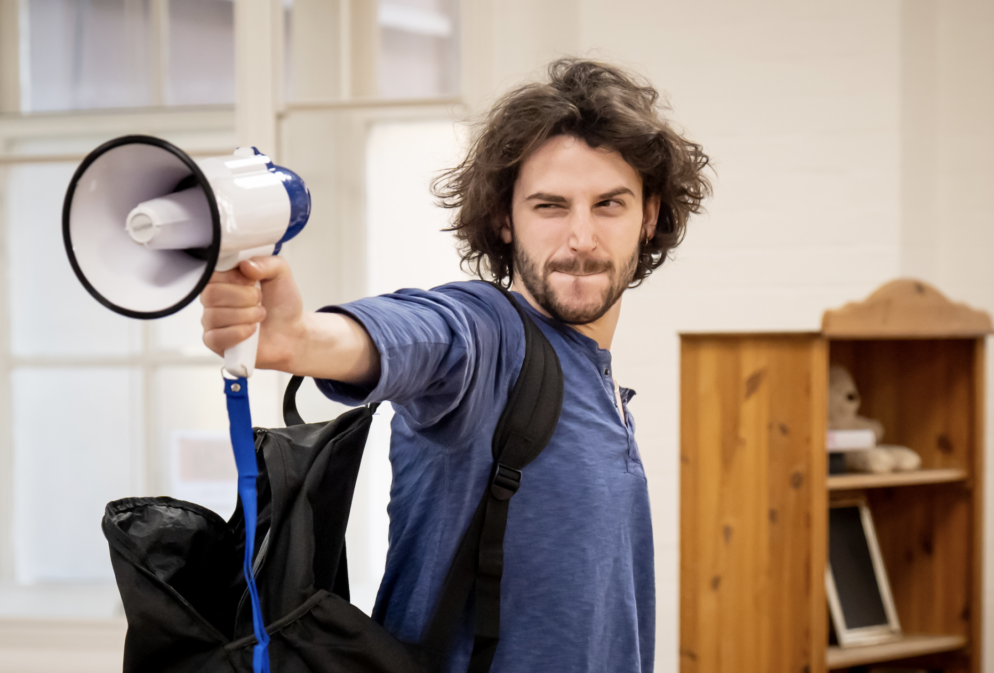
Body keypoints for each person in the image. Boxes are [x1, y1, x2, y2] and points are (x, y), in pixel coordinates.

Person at [200, 58, 711, 673]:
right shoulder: (491, 337)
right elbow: (428, 334)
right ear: (504, 219)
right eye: (550, 206)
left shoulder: (601, 388)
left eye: (609, 204)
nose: (582, 237)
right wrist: (303, 339)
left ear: (648, 216)